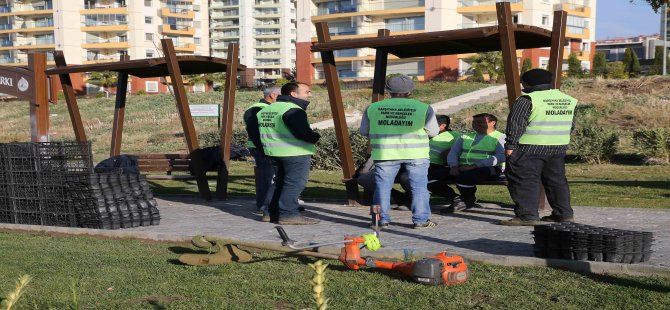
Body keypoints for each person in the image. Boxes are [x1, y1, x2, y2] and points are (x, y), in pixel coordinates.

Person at [360, 74, 440, 229]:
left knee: (382, 187)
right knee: (419, 188)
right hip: (416, 155)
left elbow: (364, 131)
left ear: (388, 90)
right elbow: (433, 132)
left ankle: (380, 220)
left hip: (385, 154)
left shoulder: (373, 108)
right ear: (410, 91)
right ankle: (421, 220)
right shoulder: (424, 108)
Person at [500, 69, 578, 226]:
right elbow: (571, 125)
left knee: (524, 180)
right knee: (556, 181)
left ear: (528, 83)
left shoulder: (527, 99)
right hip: (558, 147)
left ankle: (527, 216)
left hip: (529, 147)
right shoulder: (569, 100)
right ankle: (563, 214)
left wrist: (510, 145)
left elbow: (516, 125)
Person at [257, 82, 321, 225]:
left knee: (279, 182)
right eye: (306, 92)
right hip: (294, 152)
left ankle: (269, 213)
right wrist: (315, 136)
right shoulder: (293, 110)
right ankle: (288, 214)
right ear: (293, 93)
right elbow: (302, 133)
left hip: (273, 151)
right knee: (294, 183)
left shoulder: (269, 109)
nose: (309, 95)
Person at [445, 113, 505, 212]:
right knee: (431, 179)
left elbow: (501, 156)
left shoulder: (500, 137)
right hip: (462, 167)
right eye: (474, 122)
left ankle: (468, 200)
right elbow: (453, 153)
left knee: (464, 179)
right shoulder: (465, 136)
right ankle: (457, 200)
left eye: (480, 122)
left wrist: (474, 166)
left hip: (490, 168)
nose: (476, 124)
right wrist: (453, 166)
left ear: (493, 123)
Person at [244, 86, 281, 216]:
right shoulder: (257, 109)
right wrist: (262, 149)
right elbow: (254, 131)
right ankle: (264, 205)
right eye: (280, 95)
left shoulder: (264, 108)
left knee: (271, 177)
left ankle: (271, 204)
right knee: (267, 178)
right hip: (262, 148)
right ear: (272, 95)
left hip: (267, 147)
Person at [427, 114, 460, 206]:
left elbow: (460, 150)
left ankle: (455, 198)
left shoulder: (455, 136)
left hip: (435, 165)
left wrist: (451, 152)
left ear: (443, 125)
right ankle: (403, 198)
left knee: (427, 180)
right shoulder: (424, 134)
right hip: (417, 162)